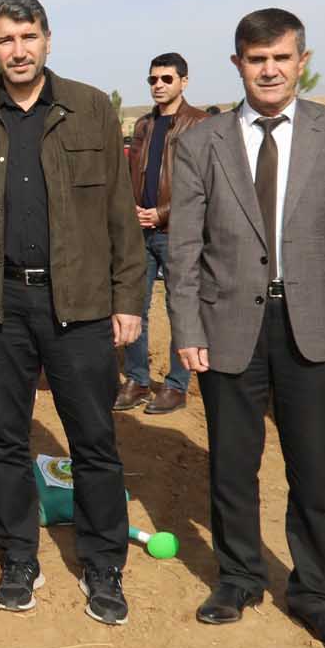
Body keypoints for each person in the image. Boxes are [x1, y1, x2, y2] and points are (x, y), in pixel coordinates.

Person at [166, 8, 325, 648]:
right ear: (237, 64)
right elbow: (184, 248)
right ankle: (238, 578)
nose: (269, 69)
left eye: (281, 57)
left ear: (302, 60)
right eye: (256, 58)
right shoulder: (203, 142)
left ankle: (316, 595)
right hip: (227, 325)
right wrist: (185, 324)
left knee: (314, 469)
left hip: (315, 327)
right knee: (233, 467)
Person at [0, 0, 145, 625]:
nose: (18, 50)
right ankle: (19, 557)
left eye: (28, 37)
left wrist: (128, 298)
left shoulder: (89, 109)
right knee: (4, 442)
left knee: (94, 440)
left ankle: (103, 564)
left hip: (79, 302)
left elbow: (119, 212)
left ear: (48, 39)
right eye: (5, 40)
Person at [115, 52, 208, 414]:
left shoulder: (199, 125)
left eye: (166, 79)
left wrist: (163, 213)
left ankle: (176, 385)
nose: (158, 85)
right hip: (141, 233)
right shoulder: (143, 126)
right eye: (153, 79)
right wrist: (133, 211)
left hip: (178, 233)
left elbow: (205, 185)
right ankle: (137, 380)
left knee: (179, 307)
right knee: (133, 306)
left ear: (184, 81)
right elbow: (132, 174)